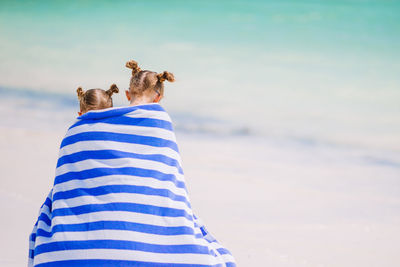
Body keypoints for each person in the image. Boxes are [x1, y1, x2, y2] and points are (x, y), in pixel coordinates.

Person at [28, 60, 236, 266]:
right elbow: (169, 185)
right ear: (159, 96)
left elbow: (67, 185)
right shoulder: (160, 124)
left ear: (127, 95)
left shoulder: (77, 130)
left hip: (72, 252)